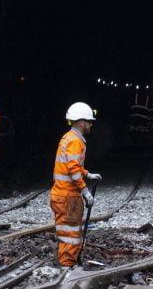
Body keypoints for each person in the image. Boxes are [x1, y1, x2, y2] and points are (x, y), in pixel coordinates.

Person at [50, 102, 102, 267]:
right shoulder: (75, 141)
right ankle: (67, 266)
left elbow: (73, 166)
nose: (91, 124)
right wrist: (85, 192)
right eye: (89, 121)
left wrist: (87, 174)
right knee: (70, 233)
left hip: (61, 194)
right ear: (81, 122)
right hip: (68, 197)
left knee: (67, 230)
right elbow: (72, 170)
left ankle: (68, 262)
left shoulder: (68, 137)